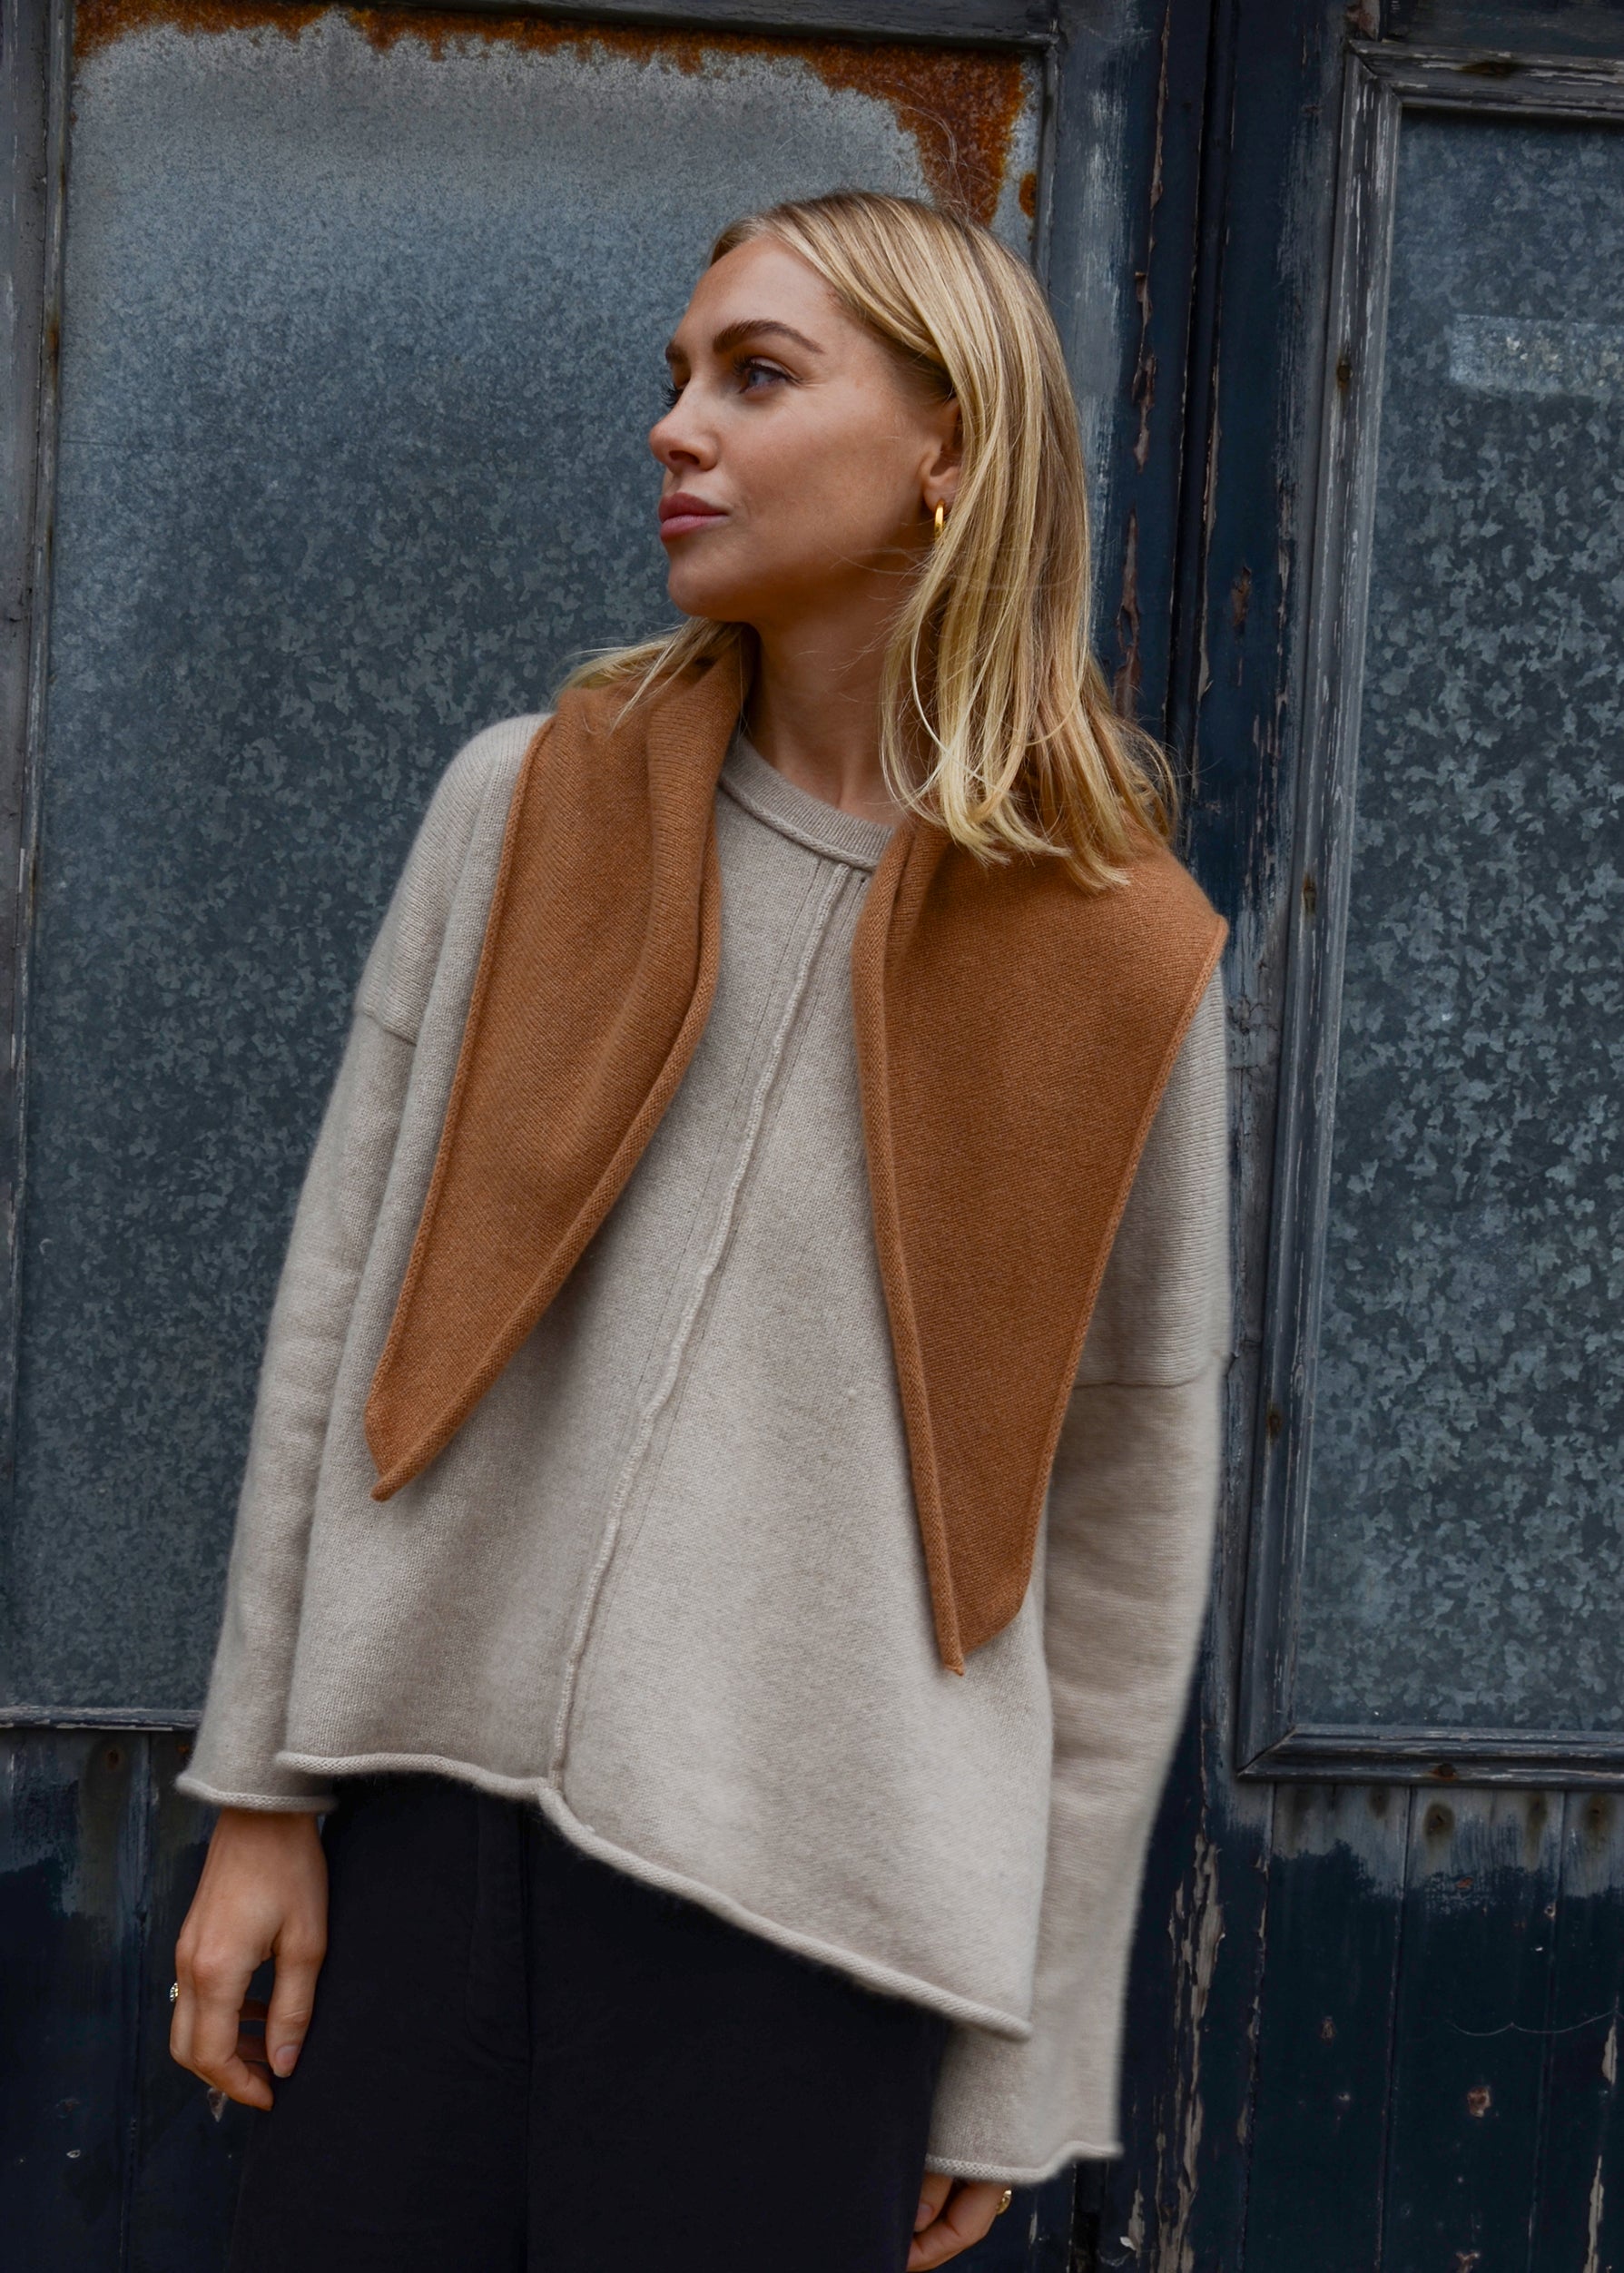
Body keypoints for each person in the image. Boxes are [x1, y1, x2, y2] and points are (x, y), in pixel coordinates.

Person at [168, 190, 1230, 2273]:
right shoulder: (521, 805)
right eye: (677, 377)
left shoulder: (1120, 959)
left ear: (947, 454)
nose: (675, 426)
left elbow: (1119, 1535)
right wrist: (262, 1800)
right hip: (417, 1848)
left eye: (756, 376)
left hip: (809, 1927)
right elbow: (335, 1314)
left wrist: (1019, 2044)